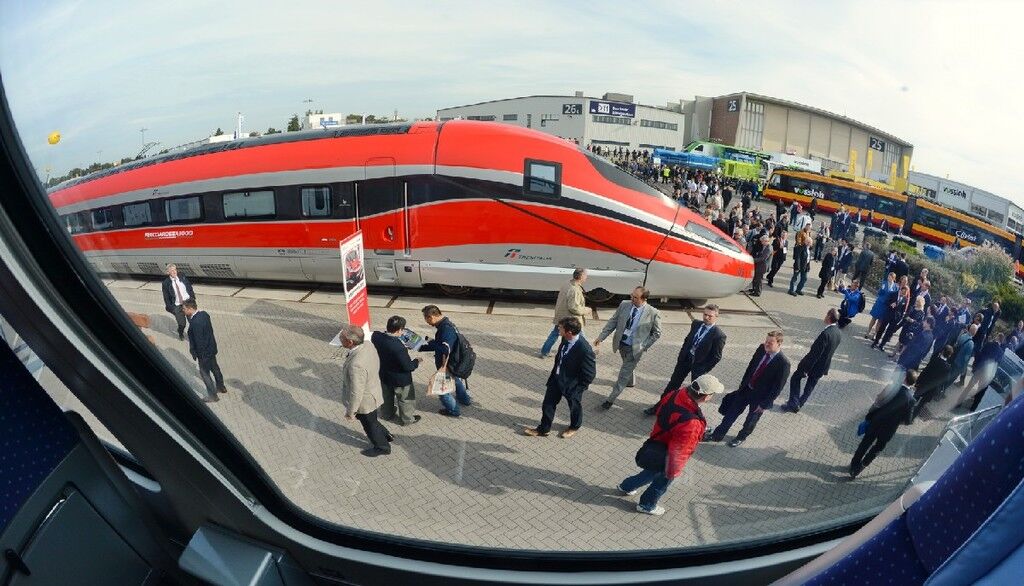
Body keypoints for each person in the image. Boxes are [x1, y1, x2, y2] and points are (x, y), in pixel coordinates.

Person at [619, 374, 723, 516]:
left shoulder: (676, 394)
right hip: (668, 455)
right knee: (661, 483)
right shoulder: (691, 423)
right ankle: (646, 505)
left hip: (657, 442)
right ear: (706, 397)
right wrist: (673, 472)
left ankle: (626, 486)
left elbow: (662, 411)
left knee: (650, 472)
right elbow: (680, 450)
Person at [705, 330, 791, 447]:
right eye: (766, 341)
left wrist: (764, 404)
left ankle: (741, 437)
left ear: (779, 344)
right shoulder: (761, 349)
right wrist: (743, 385)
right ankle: (717, 435)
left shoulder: (783, 363)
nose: (766, 344)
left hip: (760, 399)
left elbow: (777, 388)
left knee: (750, 420)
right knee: (731, 413)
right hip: (746, 389)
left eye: (770, 343)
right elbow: (751, 367)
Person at [644, 305, 726, 416]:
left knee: (695, 393)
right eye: (705, 314)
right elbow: (687, 340)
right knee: (672, 385)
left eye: (710, 316)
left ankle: (686, 415)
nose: (706, 317)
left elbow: (716, 357)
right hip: (685, 360)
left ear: (716, 317)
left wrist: (703, 368)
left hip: (698, 367)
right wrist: (682, 354)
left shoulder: (719, 335)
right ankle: (658, 407)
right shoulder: (696, 324)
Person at [524, 317, 596, 439]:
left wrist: (579, 387)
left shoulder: (584, 349)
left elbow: (590, 373)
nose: (558, 329)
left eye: (561, 328)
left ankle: (574, 426)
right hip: (556, 379)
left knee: (574, 406)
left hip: (572, 385)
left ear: (569, 332)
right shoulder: (565, 339)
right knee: (548, 403)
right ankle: (544, 429)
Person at [595, 287, 662, 409]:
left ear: (644, 299)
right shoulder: (624, 305)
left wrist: (644, 346)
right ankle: (630, 382)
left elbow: (657, 333)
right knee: (627, 365)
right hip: (621, 344)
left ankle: (610, 399)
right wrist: (601, 337)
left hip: (635, 349)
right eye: (632, 295)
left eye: (635, 297)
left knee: (623, 374)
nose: (632, 298)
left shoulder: (653, 313)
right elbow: (613, 322)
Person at [849, 370, 917, 479]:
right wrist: (897, 420)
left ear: (905, 378)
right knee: (877, 449)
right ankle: (860, 468)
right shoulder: (911, 400)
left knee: (865, 443)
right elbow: (908, 421)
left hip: (876, 422)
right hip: (889, 430)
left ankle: (853, 464)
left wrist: (870, 415)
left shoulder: (892, 388)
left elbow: (878, 402)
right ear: (912, 383)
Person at [338, 324, 393, 457]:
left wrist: (351, 412)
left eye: (341, 339)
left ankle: (382, 446)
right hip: (374, 391)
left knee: (369, 425)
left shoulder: (356, 364)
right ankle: (386, 435)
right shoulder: (368, 345)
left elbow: (356, 392)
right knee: (372, 419)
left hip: (365, 401)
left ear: (350, 342)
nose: (340, 340)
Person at [783, 309, 841, 412]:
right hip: (823, 367)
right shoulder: (838, 332)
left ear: (828, 317)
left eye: (826, 314)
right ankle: (799, 404)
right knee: (809, 387)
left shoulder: (825, 334)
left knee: (795, 378)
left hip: (813, 365)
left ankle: (793, 403)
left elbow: (815, 354)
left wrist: (805, 368)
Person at [420, 305, 473, 417]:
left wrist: (430, 342)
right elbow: (441, 344)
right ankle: (465, 400)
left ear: (431, 316)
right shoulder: (447, 325)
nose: (427, 322)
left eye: (426, 319)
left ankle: (454, 411)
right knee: (456, 381)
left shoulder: (446, 329)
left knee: (442, 390)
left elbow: (445, 348)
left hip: (447, 365)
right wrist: (420, 347)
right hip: (453, 362)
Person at [371, 316, 422, 426]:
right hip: (400, 379)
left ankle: (387, 414)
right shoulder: (398, 348)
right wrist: (417, 361)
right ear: (399, 330)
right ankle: (408, 419)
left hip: (384, 375)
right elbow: (408, 366)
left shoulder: (376, 336)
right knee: (405, 400)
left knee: (386, 396)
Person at [182, 300, 226, 403]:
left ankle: (212, 396)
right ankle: (221, 387)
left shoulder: (195, 323)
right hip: (211, 349)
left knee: (205, 373)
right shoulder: (204, 315)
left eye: (184, 309)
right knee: (215, 368)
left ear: (190, 308)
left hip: (204, 354)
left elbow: (199, 342)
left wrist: (199, 355)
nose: (183, 311)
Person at [540, 269, 588, 358]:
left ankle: (544, 351)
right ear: (581, 277)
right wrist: (586, 310)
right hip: (571, 319)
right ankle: (586, 353)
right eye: (585, 275)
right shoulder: (574, 289)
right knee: (581, 336)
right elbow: (573, 307)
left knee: (555, 333)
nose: (586, 277)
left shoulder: (567, 283)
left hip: (561, 315)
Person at [959, 333, 1004, 411]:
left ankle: (959, 403)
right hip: (987, 375)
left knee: (969, 387)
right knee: (980, 392)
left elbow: (980, 355)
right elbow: (996, 366)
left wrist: (975, 365)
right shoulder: (1001, 352)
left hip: (980, 370)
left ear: (997, 338)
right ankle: (973, 408)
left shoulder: (989, 344)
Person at [912, 345, 954, 421]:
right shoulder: (947, 367)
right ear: (949, 355)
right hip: (932, 389)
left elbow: (925, 371)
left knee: (915, 398)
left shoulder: (935, 360)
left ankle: (906, 412)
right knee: (921, 404)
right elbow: (944, 380)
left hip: (924, 383)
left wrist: (918, 381)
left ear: (942, 351)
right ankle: (912, 418)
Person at [162, 263, 196, 340]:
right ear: (168, 272)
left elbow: (189, 287)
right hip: (177, 306)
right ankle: (180, 332)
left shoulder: (182, 276)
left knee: (193, 321)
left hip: (188, 303)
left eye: (175, 270)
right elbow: (166, 297)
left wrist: (193, 298)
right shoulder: (166, 283)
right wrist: (172, 308)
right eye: (171, 270)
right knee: (182, 324)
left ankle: (193, 335)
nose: (174, 272)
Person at [871, 284, 911, 350]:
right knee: (882, 328)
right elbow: (886, 302)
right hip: (888, 314)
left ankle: (882, 344)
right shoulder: (893, 294)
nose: (903, 295)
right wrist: (890, 304)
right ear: (900, 290)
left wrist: (899, 318)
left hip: (895, 318)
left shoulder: (905, 299)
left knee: (889, 332)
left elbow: (903, 310)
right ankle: (876, 342)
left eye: (905, 294)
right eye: (903, 293)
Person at [866, 272, 899, 339]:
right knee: (874, 318)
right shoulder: (883, 283)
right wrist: (882, 289)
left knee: (880, 321)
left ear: (893, 278)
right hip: (879, 303)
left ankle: (875, 334)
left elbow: (895, 297)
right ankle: (868, 332)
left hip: (886, 306)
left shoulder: (896, 286)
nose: (888, 278)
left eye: (890, 277)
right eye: (888, 277)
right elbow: (879, 293)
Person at [787, 226, 812, 296]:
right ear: (806, 242)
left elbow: (808, 258)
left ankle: (798, 290)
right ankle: (791, 290)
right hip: (799, 266)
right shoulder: (800, 247)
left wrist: (808, 266)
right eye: (809, 242)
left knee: (804, 279)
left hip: (805, 267)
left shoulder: (808, 249)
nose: (810, 244)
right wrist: (797, 267)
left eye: (811, 242)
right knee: (794, 278)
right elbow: (797, 258)